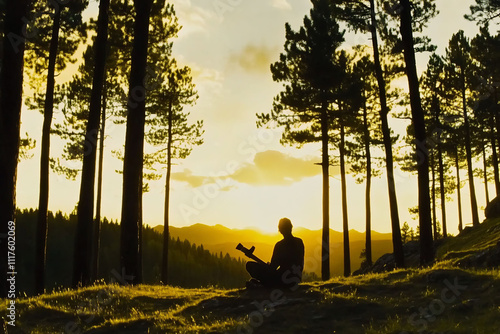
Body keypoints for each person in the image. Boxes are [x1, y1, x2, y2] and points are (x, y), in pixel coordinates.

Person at [246, 218, 305, 289]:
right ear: (291, 227)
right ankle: (263, 284)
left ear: (280, 230)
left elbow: (273, 267)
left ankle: (263, 285)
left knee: (249, 265)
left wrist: (267, 266)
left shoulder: (280, 245)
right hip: (295, 279)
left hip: (281, 279)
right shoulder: (299, 242)